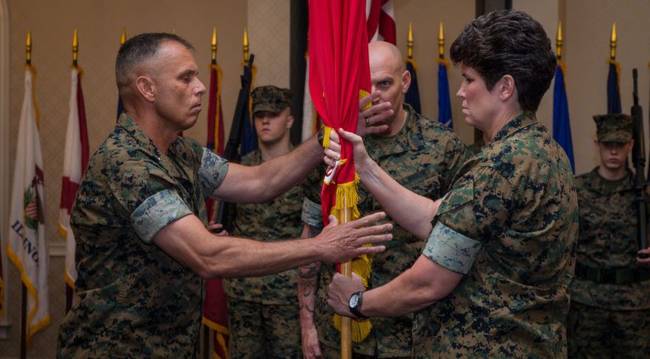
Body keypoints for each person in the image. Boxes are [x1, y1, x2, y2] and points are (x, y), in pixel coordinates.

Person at [56, 32, 392, 358]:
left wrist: (329, 136)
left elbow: (260, 181)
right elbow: (209, 256)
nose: (200, 87)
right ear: (147, 88)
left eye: (197, 77)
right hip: (116, 348)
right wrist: (320, 246)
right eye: (186, 78)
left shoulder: (177, 151)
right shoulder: (127, 162)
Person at [325, 10, 578, 358]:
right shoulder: (543, 151)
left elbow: (428, 283)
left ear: (505, 87)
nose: (460, 92)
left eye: (469, 79)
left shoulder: (502, 164)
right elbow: (436, 218)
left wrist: (356, 302)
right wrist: (365, 166)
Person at [298, 41, 469, 359]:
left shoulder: (443, 149)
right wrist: (307, 324)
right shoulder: (337, 145)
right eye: (366, 85)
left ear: (405, 82)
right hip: (340, 328)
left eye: (384, 84)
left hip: (412, 333)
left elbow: (459, 246)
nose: (373, 95)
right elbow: (311, 232)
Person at [224, 85, 304, 358]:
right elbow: (228, 224)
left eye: (273, 114)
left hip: (288, 293)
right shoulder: (239, 170)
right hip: (244, 290)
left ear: (290, 119)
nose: (265, 121)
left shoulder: (305, 170)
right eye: (260, 115)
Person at [568, 114, 650, 358]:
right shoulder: (576, 189)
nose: (613, 151)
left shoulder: (643, 192)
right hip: (587, 303)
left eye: (620, 145)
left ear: (631, 146)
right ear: (597, 145)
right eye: (608, 145)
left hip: (634, 305)